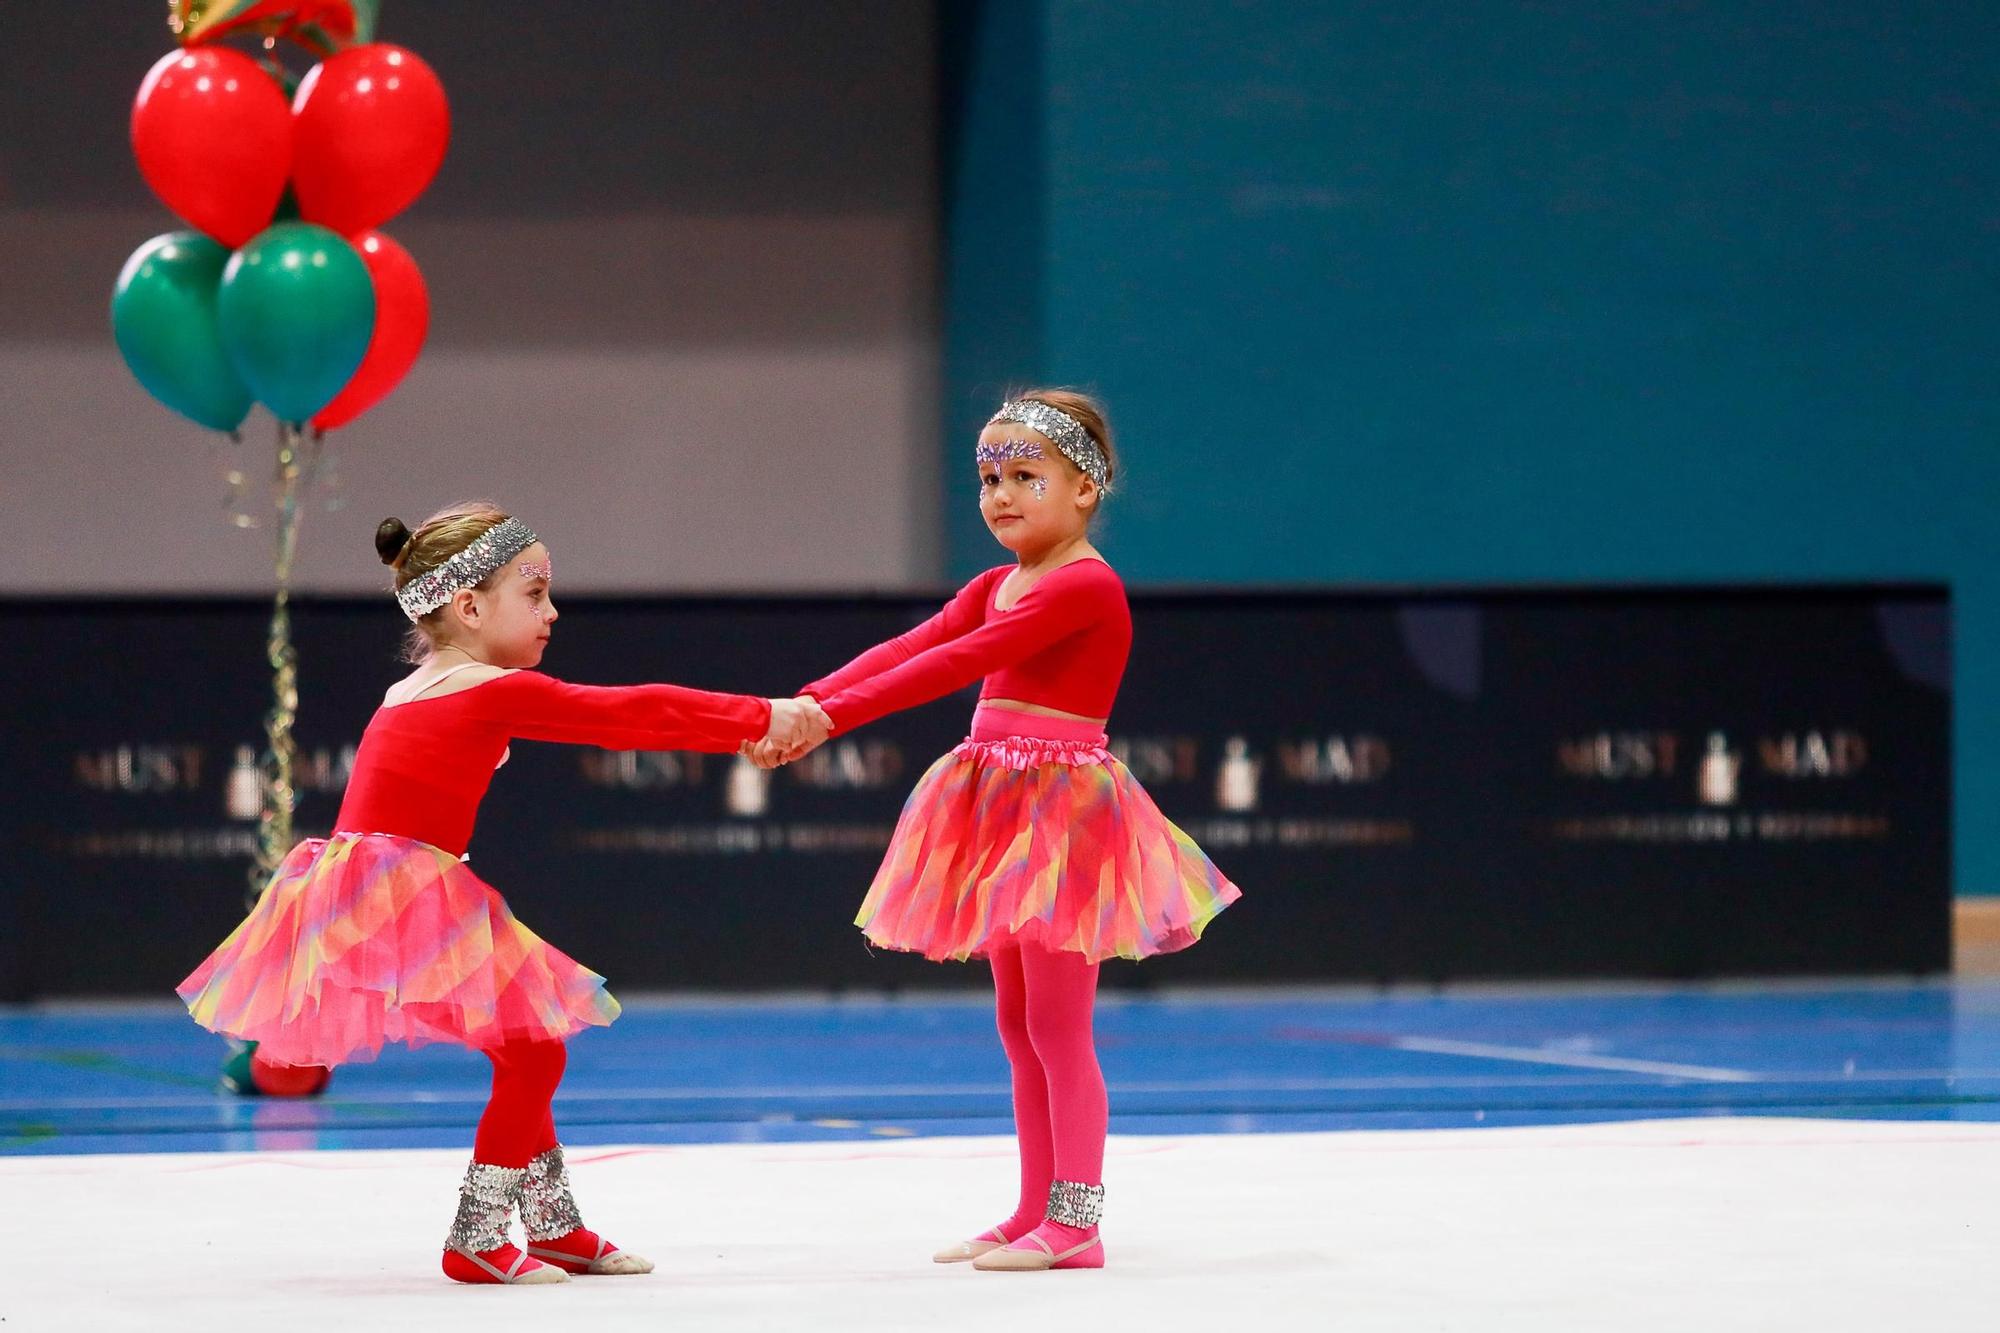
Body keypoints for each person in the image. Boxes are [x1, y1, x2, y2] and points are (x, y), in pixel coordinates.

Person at [180, 502, 828, 1285]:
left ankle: (553, 1224)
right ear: (470, 606)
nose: (552, 611)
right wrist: (762, 714)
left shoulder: (415, 687)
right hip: (402, 888)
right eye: (535, 591)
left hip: (371, 886)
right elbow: (628, 714)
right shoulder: (484, 690)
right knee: (535, 1047)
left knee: (525, 1042)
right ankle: (478, 1235)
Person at [755, 392, 1241, 1271]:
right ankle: (1032, 1207)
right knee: (1018, 1023)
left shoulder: (1085, 583)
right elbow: (911, 644)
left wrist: (828, 722)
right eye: (989, 478)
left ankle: (1078, 1222)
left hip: (1061, 813)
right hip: (1000, 802)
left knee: (1059, 1025)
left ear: (1086, 489)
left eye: (1027, 476)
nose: (1002, 495)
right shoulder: (997, 582)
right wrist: (801, 700)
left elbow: (958, 663)